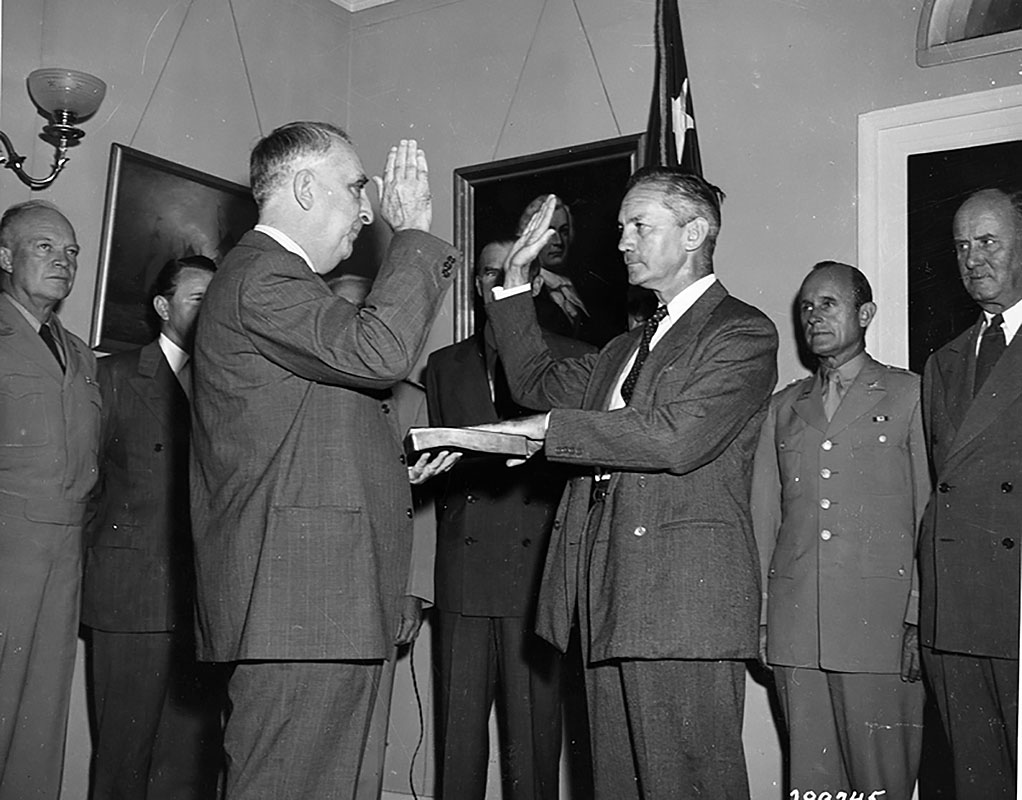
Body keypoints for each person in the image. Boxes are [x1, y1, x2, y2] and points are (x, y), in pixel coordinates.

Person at [479, 169, 779, 799]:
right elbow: (533, 382)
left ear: (694, 232)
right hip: (608, 590)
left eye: (639, 226)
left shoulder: (742, 333)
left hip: (681, 602)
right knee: (617, 784)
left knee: (690, 785)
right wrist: (515, 279)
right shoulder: (624, 347)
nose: (622, 241)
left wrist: (551, 431)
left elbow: (675, 437)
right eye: (621, 228)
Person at [189, 123, 459, 800]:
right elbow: (380, 354)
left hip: (326, 603)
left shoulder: (286, 285)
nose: (368, 210)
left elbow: (308, 430)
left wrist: (396, 466)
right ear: (306, 187)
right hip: (301, 609)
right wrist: (415, 235)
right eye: (355, 187)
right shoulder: (262, 278)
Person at [751, 261, 928, 799]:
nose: (814, 316)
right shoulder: (783, 408)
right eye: (806, 307)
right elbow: (765, 519)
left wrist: (919, 619)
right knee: (812, 783)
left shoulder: (908, 396)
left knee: (883, 784)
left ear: (865, 313)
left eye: (828, 304)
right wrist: (762, 619)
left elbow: (927, 513)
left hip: (880, 628)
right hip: (797, 628)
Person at [425, 240, 595, 799]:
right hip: (464, 573)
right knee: (458, 740)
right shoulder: (443, 366)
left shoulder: (573, 358)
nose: (498, 281)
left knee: (534, 744)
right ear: (477, 284)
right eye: (489, 273)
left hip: (536, 575)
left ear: (537, 283)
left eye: (512, 272)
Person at [83, 255, 225, 800]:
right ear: (164, 308)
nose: (211, 311)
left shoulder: (227, 382)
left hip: (203, 607)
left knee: (188, 767)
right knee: (124, 759)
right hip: (130, 600)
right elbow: (88, 490)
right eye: (197, 299)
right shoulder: (116, 376)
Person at [919, 187, 1022, 799]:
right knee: (974, 781)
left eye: (988, 241)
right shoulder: (945, 362)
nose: (972, 258)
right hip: (954, 614)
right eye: (961, 246)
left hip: (1017, 604)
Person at [0, 200, 101, 800]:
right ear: (5, 256)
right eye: (45, 248)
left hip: (64, 554)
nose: (62, 262)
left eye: (71, 253)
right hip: (6, 546)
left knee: (41, 711)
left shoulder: (80, 352)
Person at [325, 271, 434, 800]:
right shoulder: (300, 391)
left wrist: (412, 592)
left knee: (368, 730)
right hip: (309, 584)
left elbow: (425, 506)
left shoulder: (411, 403)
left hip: (378, 589)